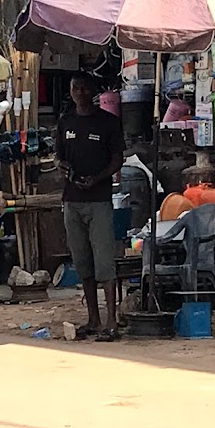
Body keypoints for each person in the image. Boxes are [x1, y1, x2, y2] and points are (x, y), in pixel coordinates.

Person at [56, 73, 125, 342]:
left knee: (105, 263)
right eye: (76, 88)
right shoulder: (65, 122)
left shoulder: (108, 123)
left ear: (93, 91)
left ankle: (111, 322)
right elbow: (59, 156)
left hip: (99, 201)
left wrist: (97, 178)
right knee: (83, 262)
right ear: (71, 92)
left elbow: (117, 159)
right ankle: (93, 320)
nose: (80, 93)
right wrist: (64, 168)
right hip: (72, 201)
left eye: (85, 88)